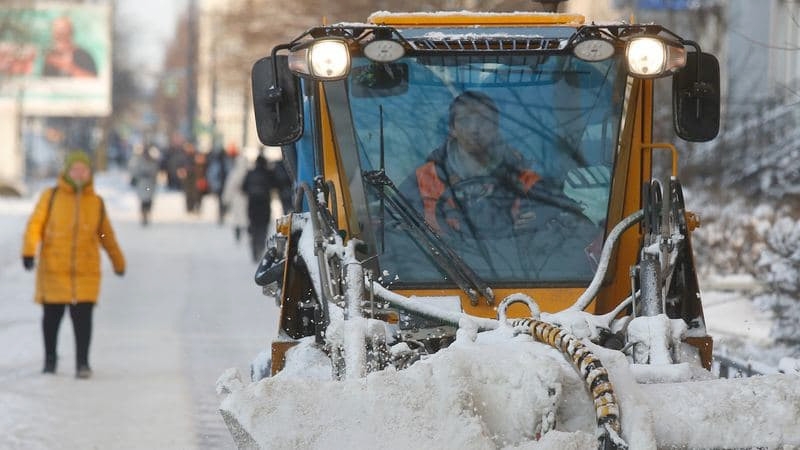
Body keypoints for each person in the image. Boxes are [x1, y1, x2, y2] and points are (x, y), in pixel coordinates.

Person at [21, 151, 125, 379]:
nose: (79, 174)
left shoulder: (96, 202)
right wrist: (29, 251)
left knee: (83, 320)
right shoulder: (51, 196)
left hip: (85, 271)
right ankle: (50, 360)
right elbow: (35, 225)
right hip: (54, 269)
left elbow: (106, 236)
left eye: (83, 170)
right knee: (52, 317)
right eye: (75, 170)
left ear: (89, 173)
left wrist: (118, 261)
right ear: (66, 172)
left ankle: (82, 363)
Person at [406, 91, 543, 239]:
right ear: (452, 129)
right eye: (465, 121)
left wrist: (539, 218)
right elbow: (393, 223)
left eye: (483, 120)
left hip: (515, 258)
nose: (474, 129)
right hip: (439, 260)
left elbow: (559, 215)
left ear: (496, 126)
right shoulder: (424, 178)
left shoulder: (524, 177)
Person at [241, 153, 274, 262]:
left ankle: (254, 248)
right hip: (264, 204)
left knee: (254, 227)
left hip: (252, 204)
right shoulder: (268, 173)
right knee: (263, 228)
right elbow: (276, 185)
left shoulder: (250, 173)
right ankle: (259, 247)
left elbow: (243, 188)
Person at [221, 148, 250, 243]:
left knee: (237, 219)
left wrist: (225, 199)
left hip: (237, 200)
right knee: (247, 219)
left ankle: (238, 236)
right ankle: (248, 236)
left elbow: (228, 187)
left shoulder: (234, 173)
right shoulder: (250, 172)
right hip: (247, 200)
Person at [129, 144, 161, 226]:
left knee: (148, 200)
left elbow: (156, 171)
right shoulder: (139, 160)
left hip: (150, 183)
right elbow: (134, 170)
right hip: (142, 183)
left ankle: (147, 212)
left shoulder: (153, 161)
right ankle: (144, 214)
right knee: (143, 200)